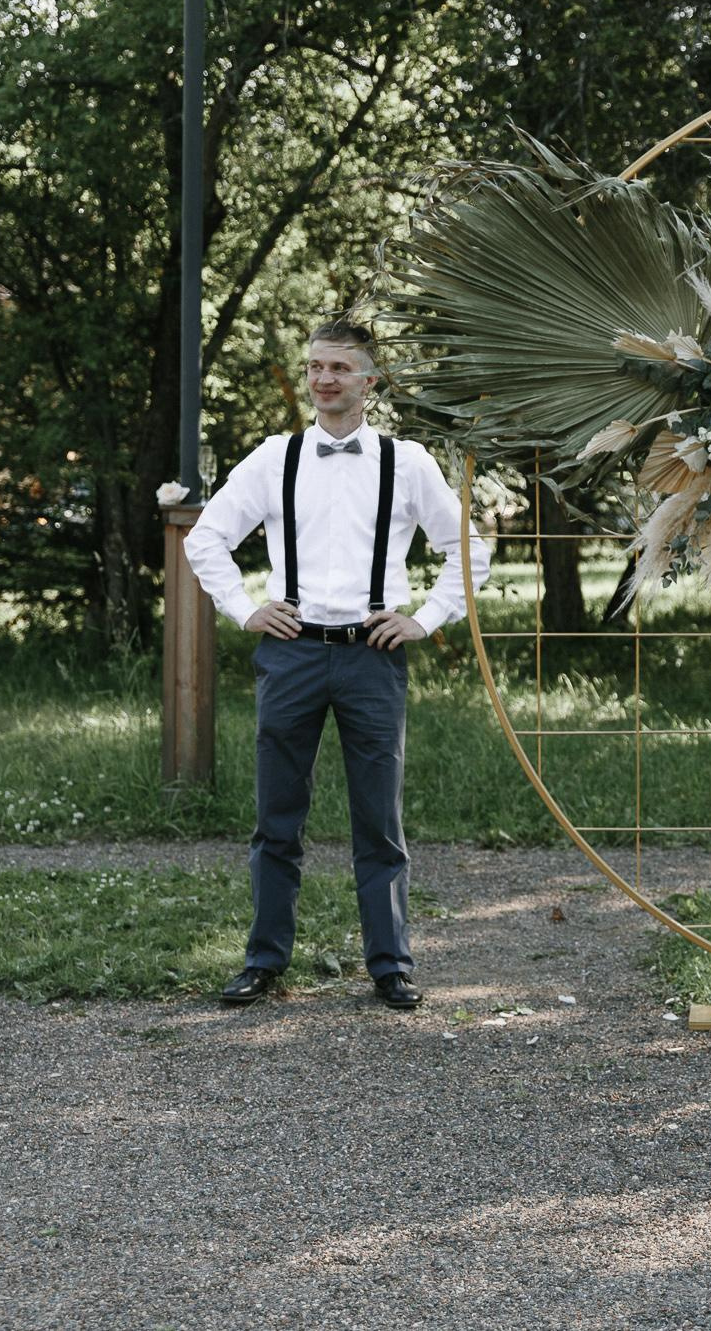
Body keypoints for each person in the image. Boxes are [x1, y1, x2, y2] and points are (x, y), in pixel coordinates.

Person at [185, 318, 490, 1010]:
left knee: (378, 820)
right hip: (290, 652)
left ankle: (390, 965)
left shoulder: (406, 463)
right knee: (277, 817)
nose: (325, 379)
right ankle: (264, 961)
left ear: (369, 381)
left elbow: (468, 549)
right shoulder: (274, 457)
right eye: (317, 366)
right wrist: (243, 608)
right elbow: (206, 540)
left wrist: (422, 619)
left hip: (371, 658)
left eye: (340, 368)